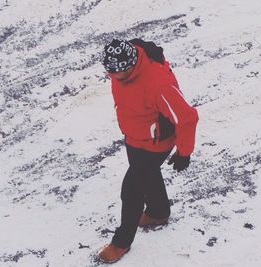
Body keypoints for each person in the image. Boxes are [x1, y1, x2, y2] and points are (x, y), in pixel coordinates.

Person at [98, 39, 199, 263]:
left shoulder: (157, 84)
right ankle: (158, 212)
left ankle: (121, 242)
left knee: (131, 191)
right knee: (147, 174)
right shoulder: (122, 65)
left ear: (132, 64)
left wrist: (184, 152)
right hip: (134, 135)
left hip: (155, 144)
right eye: (110, 71)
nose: (113, 76)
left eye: (119, 72)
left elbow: (187, 117)